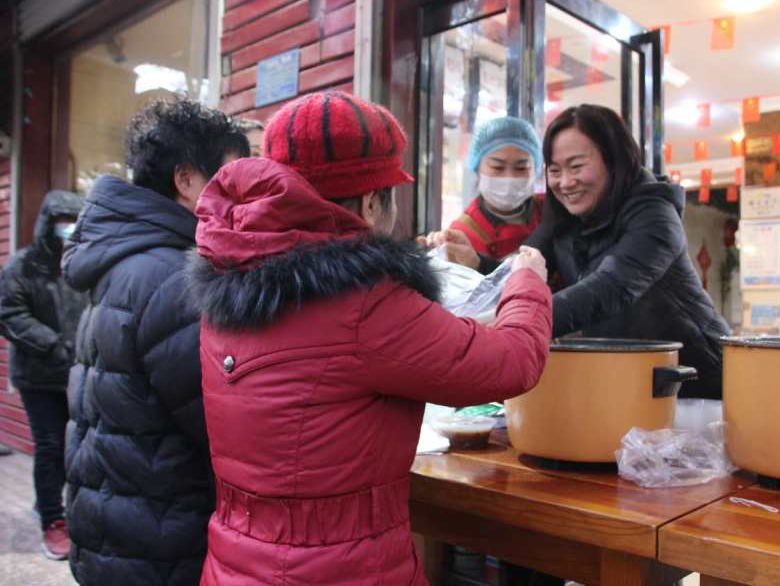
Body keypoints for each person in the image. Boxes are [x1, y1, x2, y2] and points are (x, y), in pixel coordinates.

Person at [187, 92, 552, 586]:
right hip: (345, 570)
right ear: (372, 201)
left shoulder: (230, 279)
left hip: (235, 564)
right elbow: (511, 363)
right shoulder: (365, 303)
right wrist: (527, 282)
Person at [62, 98, 250, 585]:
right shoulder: (173, 277)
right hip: (159, 543)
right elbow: (224, 431)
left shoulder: (126, 258)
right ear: (186, 179)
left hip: (114, 527)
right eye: (229, 180)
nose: (241, 200)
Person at [429, 104, 730, 400]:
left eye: (576, 167)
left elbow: (610, 287)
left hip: (696, 381)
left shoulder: (654, 215)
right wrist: (477, 263)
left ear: (613, 160)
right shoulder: (563, 217)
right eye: (555, 170)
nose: (565, 182)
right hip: (628, 379)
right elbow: (523, 272)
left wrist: (517, 323)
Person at [0, 190, 86, 560]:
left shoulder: (80, 263)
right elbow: (9, 313)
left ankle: (49, 501)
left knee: (73, 446)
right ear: (47, 223)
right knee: (50, 445)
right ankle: (53, 520)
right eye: (61, 221)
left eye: (73, 221)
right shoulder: (22, 265)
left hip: (76, 371)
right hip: (38, 374)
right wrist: (52, 343)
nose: (67, 229)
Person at [449, 117, 543, 259]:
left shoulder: (549, 210)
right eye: (497, 167)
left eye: (522, 168)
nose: (510, 178)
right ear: (477, 169)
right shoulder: (463, 234)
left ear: (536, 169)